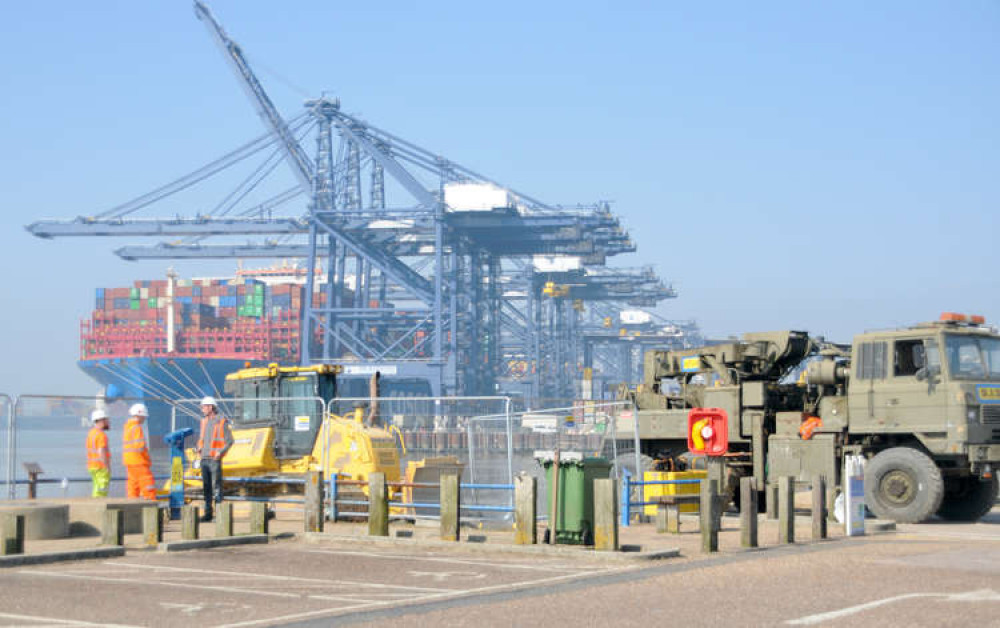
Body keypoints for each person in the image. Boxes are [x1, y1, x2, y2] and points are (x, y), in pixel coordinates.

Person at [197, 396, 233, 522]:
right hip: (204, 459)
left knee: (216, 487)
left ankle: (219, 515)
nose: (202, 409)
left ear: (210, 407)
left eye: (203, 407)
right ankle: (208, 514)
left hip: (214, 459)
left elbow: (230, 441)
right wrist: (199, 448)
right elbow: (201, 438)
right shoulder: (204, 421)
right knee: (206, 487)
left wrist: (220, 452)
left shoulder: (222, 421)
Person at [123, 403, 156, 500]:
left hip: (129, 462)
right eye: (143, 417)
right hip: (139, 461)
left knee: (133, 484)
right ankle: (151, 503)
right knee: (147, 482)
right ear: (139, 415)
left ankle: (132, 504)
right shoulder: (137, 427)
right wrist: (147, 459)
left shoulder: (128, 427)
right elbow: (140, 447)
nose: (144, 419)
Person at [86, 409, 111, 497]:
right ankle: (100, 505)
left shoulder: (91, 433)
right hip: (100, 467)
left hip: (92, 466)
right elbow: (101, 451)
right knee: (102, 489)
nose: (108, 422)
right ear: (101, 421)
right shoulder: (101, 435)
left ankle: (95, 504)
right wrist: (106, 466)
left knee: (96, 487)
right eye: (106, 420)